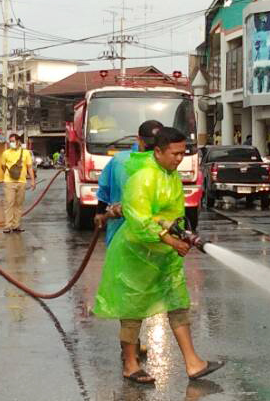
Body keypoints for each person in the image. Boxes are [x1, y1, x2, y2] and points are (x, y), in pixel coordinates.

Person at [93, 127, 223, 385]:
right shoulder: (143, 178)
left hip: (164, 254)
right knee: (132, 309)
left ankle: (193, 363)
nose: (179, 159)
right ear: (158, 151)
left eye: (183, 153)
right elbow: (140, 222)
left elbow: (173, 214)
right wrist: (172, 240)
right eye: (175, 154)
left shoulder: (171, 176)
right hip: (136, 254)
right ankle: (130, 365)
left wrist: (182, 235)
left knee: (178, 303)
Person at [94, 118, 164, 246]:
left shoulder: (119, 160)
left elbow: (104, 190)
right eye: (150, 144)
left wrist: (100, 213)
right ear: (139, 140)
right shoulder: (120, 161)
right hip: (125, 228)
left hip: (150, 230)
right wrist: (100, 213)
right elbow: (105, 189)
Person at [0, 133, 34, 233]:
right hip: (9, 182)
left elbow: (29, 167)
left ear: (18, 141)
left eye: (13, 141)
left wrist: (32, 180)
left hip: (21, 182)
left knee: (18, 204)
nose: (11, 143)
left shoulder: (26, 153)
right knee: (9, 203)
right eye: (10, 141)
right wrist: (8, 174)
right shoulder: (6, 153)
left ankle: (16, 225)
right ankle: (8, 226)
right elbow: (3, 166)